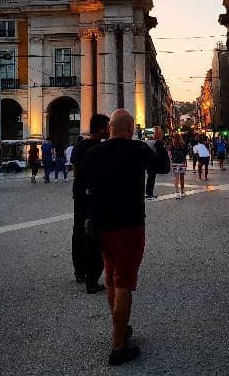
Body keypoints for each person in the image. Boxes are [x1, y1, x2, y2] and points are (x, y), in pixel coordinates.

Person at [83, 109, 168, 366]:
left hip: (102, 226)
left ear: (109, 128)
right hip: (129, 226)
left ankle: (120, 327)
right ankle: (118, 347)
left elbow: (84, 184)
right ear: (130, 129)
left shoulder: (94, 152)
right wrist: (160, 141)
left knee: (110, 278)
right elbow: (163, 167)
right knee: (124, 283)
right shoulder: (138, 149)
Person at [71, 113, 109, 294]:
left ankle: (79, 271)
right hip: (94, 195)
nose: (109, 130)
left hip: (79, 193)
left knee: (78, 231)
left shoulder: (80, 145)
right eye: (107, 127)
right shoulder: (101, 148)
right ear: (101, 128)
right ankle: (91, 277)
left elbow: (75, 169)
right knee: (94, 235)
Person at [145, 126, 165, 200]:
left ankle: (149, 193)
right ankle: (149, 194)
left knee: (150, 178)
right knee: (151, 179)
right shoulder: (156, 142)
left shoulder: (147, 142)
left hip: (149, 163)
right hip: (153, 163)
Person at [171, 134, 188, 198]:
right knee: (182, 178)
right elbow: (185, 153)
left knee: (176, 178)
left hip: (175, 163)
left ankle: (177, 193)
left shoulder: (173, 146)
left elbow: (171, 155)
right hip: (182, 162)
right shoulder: (183, 145)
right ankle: (182, 192)